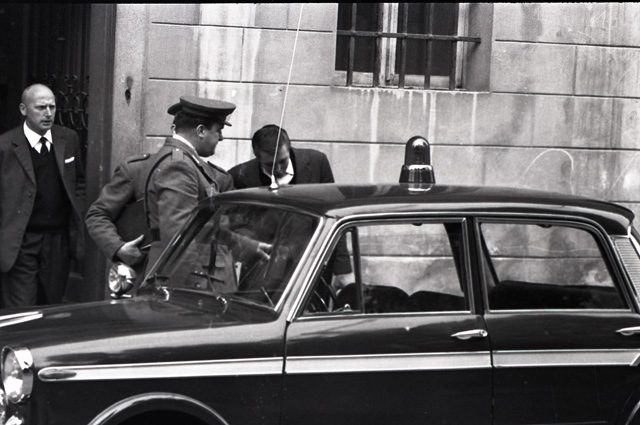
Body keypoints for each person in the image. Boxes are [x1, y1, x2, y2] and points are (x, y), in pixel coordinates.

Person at [229, 124, 353, 288]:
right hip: (261, 273)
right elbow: (237, 226)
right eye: (269, 165)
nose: (278, 169)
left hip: (310, 268)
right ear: (257, 157)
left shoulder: (317, 163)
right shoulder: (239, 176)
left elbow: (334, 214)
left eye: (282, 161)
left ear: (289, 148)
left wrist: (342, 269)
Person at [0, 84, 85, 308]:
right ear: (23, 109)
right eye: (40, 107)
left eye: (52, 107)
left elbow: (79, 181)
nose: (48, 113)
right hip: (21, 241)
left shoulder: (68, 139)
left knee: (51, 306)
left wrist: (77, 208)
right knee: (22, 308)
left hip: (58, 241)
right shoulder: (5, 146)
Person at [144, 96, 237, 274]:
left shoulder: (184, 161)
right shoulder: (180, 166)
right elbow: (179, 238)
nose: (221, 137)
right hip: (185, 278)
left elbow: (202, 227)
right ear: (201, 130)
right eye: (219, 130)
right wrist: (192, 285)